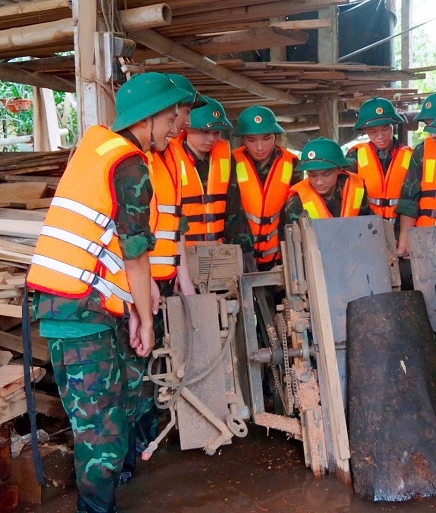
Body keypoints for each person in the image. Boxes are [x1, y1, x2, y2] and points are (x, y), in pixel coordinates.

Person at [26, 72, 193, 513]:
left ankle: (105, 496)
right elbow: (135, 256)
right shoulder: (130, 164)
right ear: (149, 117)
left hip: (80, 305)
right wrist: (146, 320)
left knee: (111, 415)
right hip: (80, 311)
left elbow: (109, 246)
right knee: (100, 430)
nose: (175, 128)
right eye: (171, 119)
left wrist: (137, 303)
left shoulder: (98, 149)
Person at [119, 73, 202, 485]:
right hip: (141, 281)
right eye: (178, 115)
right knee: (136, 367)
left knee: (157, 363)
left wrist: (183, 280)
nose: (181, 123)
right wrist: (146, 283)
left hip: (165, 278)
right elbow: (135, 235)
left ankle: (151, 440)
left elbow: (175, 226)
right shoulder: (140, 157)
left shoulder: (176, 158)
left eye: (180, 116)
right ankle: (129, 457)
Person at [228, 105, 301, 271]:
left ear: (275, 136)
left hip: (281, 258)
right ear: (242, 139)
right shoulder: (231, 162)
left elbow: (294, 215)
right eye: (252, 140)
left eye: (266, 139)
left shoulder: (293, 163)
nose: (260, 147)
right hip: (238, 257)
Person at [395, 91, 436, 255]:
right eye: (428, 125)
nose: (433, 134)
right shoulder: (421, 151)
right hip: (426, 241)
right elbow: (409, 200)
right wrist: (404, 242)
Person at [171, 94, 234, 245]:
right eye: (205, 131)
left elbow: (234, 209)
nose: (212, 139)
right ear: (187, 127)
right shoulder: (170, 157)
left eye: (216, 132)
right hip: (182, 249)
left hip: (219, 249)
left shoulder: (226, 159)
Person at [346, 97, 413, 238]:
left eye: (385, 129)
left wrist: (404, 237)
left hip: (402, 231)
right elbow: (348, 196)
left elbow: (413, 200)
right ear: (365, 130)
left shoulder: (411, 156)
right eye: (373, 131)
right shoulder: (355, 155)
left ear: (393, 126)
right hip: (366, 231)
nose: (380, 136)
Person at [285, 137, 371, 222]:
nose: (319, 182)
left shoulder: (357, 188)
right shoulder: (296, 201)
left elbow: (368, 222)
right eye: (312, 175)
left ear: (339, 169)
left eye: (326, 174)